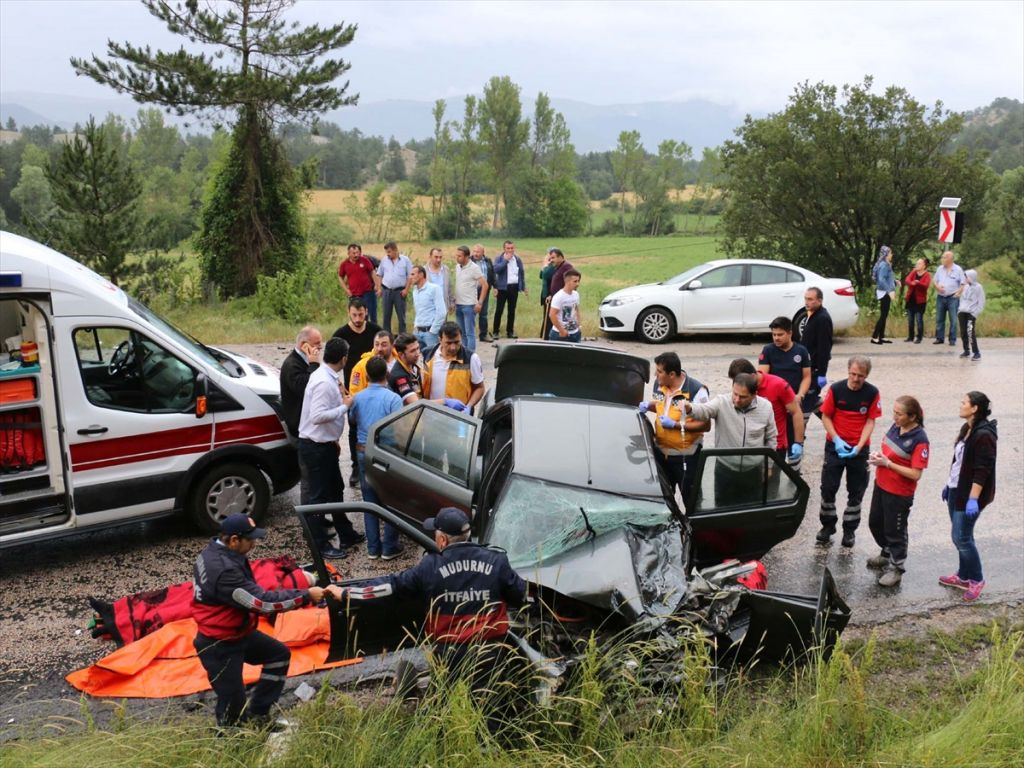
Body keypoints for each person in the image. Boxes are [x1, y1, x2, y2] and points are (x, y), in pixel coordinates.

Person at [350, 507, 527, 735]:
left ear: (442, 539)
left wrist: (347, 593)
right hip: (489, 651)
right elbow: (520, 595)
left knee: (438, 708)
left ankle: (435, 746)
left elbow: (391, 586)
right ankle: (490, 751)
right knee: (490, 712)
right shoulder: (497, 560)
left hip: (448, 653)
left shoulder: (430, 566)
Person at [192, 513, 343, 728]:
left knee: (278, 655)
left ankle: (258, 715)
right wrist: (306, 595)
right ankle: (230, 745)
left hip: (238, 632)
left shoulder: (215, 552)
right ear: (234, 540)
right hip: (220, 644)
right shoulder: (224, 571)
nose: (254, 543)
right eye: (250, 539)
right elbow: (263, 604)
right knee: (232, 701)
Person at [297, 337, 364, 559]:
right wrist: (344, 408)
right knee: (317, 497)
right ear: (344, 358)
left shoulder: (328, 376)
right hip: (315, 447)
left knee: (336, 489)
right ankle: (320, 544)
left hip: (325, 444)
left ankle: (346, 533)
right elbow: (316, 417)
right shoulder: (324, 382)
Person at [681, 372, 777, 509]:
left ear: (754, 395)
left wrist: (769, 467)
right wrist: (690, 408)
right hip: (725, 469)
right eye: (735, 394)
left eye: (743, 397)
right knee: (722, 509)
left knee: (751, 508)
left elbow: (771, 438)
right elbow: (704, 410)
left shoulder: (766, 408)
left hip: (753, 471)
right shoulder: (722, 402)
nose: (737, 399)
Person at [816, 355, 881, 548]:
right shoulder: (836, 390)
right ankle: (827, 527)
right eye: (852, 374)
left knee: (856, 491)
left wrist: (860, 446)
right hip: (835, 447)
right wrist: (836, 439)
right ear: (848, 372)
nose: (855, 379)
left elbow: (870, 421)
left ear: (866, 375)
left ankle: (850, 530)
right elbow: (826, 416)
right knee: (828, 488)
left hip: (859, 449)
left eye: (860, 375)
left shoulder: (872, 393)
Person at [865, 396, 929, 587]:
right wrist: (879, 456)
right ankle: (886, 552)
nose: (895, 417)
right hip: (882, 484)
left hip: (899, 493)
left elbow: (916, 474)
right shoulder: (896, 427)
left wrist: (888, 464)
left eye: (899, 414)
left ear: (912, 416)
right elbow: (889, 450)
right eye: (894, 412)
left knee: (896, 530)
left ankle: (897, 567)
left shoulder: (919, 440)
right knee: (875, 523)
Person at [939, 392, 997, 603]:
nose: (960, 405)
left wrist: (973, 499)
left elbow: (982, 470)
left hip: (969, 495)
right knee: (962, 535)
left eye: (964, 402)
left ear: (974, 408)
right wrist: (948, 484)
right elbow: (959, 462)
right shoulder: (968, 429)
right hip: (956, 489)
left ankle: (977, 579)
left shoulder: (984, 435)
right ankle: (963, 576)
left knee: (961, 538)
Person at [640, 351, 710, 511]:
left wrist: (676, 425)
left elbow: (706, 426)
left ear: (672, 374)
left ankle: (695, 532)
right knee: (664, 503)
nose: (655, 375)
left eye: (659, 371)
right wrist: (648, 406)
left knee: (692, 502)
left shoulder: (696, 391)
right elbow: (660, 406)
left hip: (686, 457)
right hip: (662, 456)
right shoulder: (660, 386)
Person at [351, 356, 404, 560]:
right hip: (386, 452)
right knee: (391, 500)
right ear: (387, 375)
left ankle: (373, 548)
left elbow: (353, 420)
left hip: (364, 451)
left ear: (366, 375)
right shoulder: (393, 399)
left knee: (369, 500)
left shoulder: (358, 398)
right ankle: (390, 547)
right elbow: (399, 429)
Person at [333, 299, 381, 486]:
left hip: (376, 386)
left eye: (361, 314)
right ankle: (355, 467)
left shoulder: (375, 331)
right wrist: (338, 385)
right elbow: (332, 363)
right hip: (353, 390)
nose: (358, 318)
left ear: (366, 312)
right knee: (354, 429)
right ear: (348, 313)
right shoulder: (341, 335)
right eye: (354, 315)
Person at [727, 358, 805, 464]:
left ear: (752, 376)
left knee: (771, 480)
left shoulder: (778, 385)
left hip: (775, 447)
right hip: (749, 445)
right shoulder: (740, 391)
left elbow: (796, 412)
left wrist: (798, 442)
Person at [280, 326, 322, 503]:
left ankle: (319, 515)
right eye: (316, 344)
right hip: (300, 429)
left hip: (310, 426)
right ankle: (310, 524)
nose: (320, 348)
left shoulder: (304, 361)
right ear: (304, 345)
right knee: (309, 480)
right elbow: (305, 388)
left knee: (318, 478)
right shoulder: (292, 365)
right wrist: (314, 365)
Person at [758, 316, 811, 446]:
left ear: (790, 333)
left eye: (780, 334)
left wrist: (800, 395)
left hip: (794, 401)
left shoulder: (801, 351)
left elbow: (806, 377)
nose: (776, 338)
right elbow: (763, 376)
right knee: (775, 440)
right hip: (775, 404)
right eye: (774, 334)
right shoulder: (768, 350)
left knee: (795, 438)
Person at [423, 321, 485, 413]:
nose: (453, 347)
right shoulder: (428, 354)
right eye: (448, 343)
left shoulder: (471, 358)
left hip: (459, 416)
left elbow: (480, 388)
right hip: (432, 413)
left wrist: (469, 407)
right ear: (440, 340)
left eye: (457, 342)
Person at [796, 287, 833, 415]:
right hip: (806, 367)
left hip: (814, 370)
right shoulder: (810, 314)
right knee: (814, 403)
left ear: (820, 301)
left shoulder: (822, 318)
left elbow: (824, 348)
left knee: (805, 406)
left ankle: (800, 434)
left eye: (810, 299)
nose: (807, 302)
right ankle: (836, 429)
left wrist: (822, 373)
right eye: (806, 299)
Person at [453, 245, 488, 353]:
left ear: (467, 256)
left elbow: (485, 285)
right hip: (458, 305)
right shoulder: (458, 266)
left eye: (460, 256)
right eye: (457, 255)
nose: (457, 258)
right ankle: (464, 354)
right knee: (461, 333)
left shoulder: (474, 268)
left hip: (469, 305)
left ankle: (471, 355)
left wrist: (480, 303)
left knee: (469, 333)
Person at [337, 243, 381, 324]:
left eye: (357, 252)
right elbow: (340, 277)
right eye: (353, 253)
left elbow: (373, 272)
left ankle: (374, 334)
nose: (356, 255)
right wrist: (346, 290)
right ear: (348, 253)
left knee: (372, 315)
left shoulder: (365, 260)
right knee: (359, 317)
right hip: (354, 295)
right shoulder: (344, 264)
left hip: (368, 292)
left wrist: (378, 287)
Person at [377, 241, 414, 335]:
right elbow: (380, 274)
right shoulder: (384, 260)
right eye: (386, 252)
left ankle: (402, 338)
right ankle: (387, 337)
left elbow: (410, 276)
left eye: (389, 252)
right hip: (386, 291)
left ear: (395, 250)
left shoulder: (405, 260)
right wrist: (379, 288)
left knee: (401, 317)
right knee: (386, 316)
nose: (387, 254)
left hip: (400, 292)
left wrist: (406, 289)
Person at [493, 240, 526, 339]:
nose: (510, 250)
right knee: (499, 310)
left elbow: (521, 273)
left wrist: (523, 286)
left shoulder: (517, 259)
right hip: (502, 288)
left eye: (512, 248)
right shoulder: (499, 258)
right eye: (508, 248)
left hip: (514, 287)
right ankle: (495, 332)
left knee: (511, 310)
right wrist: (505, 261)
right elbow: (496, 270)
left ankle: (510, 331)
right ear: (504, 249)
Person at [932, 250, 965, 346]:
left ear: (950, 259)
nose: (942, 259)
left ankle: (952, 339)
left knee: (953, 320)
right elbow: (935, 281)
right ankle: (939, 338)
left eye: (944, 257)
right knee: (939, 319)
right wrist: (937, 286)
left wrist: (958, 293)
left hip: (952, 298)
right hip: (941, 297)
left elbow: (963, 283)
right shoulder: (940, 269)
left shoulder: (958, 269)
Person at [349, 330, 396, 396]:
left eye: (384, 345)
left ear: (392, 346)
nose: (379, 349)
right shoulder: (361, 366)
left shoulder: (400, 359)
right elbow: (355, 394)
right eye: (376, 344)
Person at [411, 265, 446, 350]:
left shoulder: (434, 289)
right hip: (418, 332)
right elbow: (418, 311)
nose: (410, 277)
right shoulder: (415, 290)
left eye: (413, 274)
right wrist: (416, 326)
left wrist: (433, 330)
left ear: (421, 275)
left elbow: (442, 312)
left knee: (433, 359)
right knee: (421, 360)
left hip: (430, 333)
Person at [870, 245, 898, 344]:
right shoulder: (884, 265)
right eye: (890, 253)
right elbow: (881, 280)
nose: (892, 255)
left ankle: (881, 336)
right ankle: (874, 337)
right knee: (883, 315)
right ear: (886, 254)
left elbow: (887, 278)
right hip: (884, 292)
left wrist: (895, 281)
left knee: (884, 315)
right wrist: (889, 291)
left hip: (885, 291)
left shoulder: (886, 264)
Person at [547, 269, 582, 343]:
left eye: (578, 281)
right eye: (575, 281)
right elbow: (552, 314)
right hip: (559, 335)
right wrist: (561, 330)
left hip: (575, 333)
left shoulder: (576, 294)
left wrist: (579, 324)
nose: (577, 284)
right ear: (567, 281)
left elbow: (576, 309)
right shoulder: (559, 296)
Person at [388, 332, 424, 404]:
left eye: (418, 348)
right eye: (412, 351)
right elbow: (416, 404)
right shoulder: (399, 375)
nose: (417, 353)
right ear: (401, 354)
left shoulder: (415, 366)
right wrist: (444, 401)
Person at [957, 269, 985, 361]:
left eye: (967, 276)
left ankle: (976, 353)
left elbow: (981, 302)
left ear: (971, 277)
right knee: (963, 332)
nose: (965, 278)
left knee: (970, 333)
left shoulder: (978, 287)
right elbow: (962, 299)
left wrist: (975, 313)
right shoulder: (965, 287)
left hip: (971, 314)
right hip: (962, 312)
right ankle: (966, 350)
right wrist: (959, 310)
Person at [471, 244, 496, 342]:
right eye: (474, 251)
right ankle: (470, 335)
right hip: (472, 290)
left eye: (478, 252)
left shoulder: (488, 261)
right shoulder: (469, 261)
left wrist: (495, 287)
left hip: (485, 289)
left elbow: (492, 274)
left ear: (483, 253)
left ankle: (483, 335)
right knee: (471, 312)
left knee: (483, 313)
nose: (476, 254)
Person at [903, 257, 931, 343]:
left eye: (919, 263)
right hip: (910, 299)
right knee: (910, 319)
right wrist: (912, 283)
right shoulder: (914, 272)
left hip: (920, 301)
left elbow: (926, 285)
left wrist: (918, 283)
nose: (917, 265)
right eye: (917, 263)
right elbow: (907, 280)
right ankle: (910, 336)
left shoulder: (927, 275)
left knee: (919, 319)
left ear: (924, 265)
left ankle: (919, 337)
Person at [425, 247, 454, 316]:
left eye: (440, 257)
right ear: (430, 257)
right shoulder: (424, 271)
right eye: (436, 257)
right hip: (429, 307)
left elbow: (449, 288)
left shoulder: (446, 269)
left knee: (443, 326)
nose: (439, 259)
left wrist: (452, 302)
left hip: (443, 306)